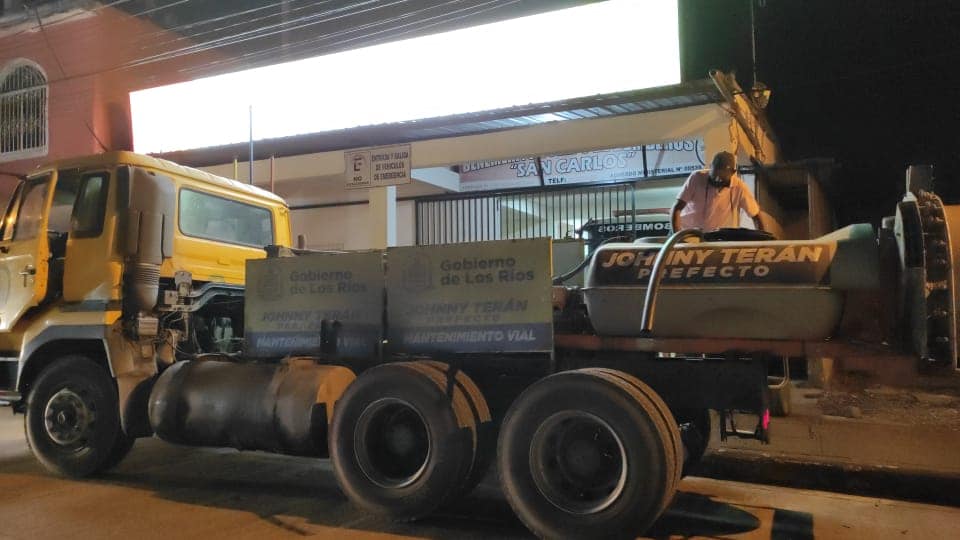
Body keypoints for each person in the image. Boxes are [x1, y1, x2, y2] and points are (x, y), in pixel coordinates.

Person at [670, 151, 764, 233]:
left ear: (733, 172)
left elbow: (756, 215)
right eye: (714, 177)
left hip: (710, 236)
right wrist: (677, 238)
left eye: (722, 179)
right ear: (710, 166)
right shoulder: (696, 178)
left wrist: (763, 241)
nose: (717, 181)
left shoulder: (739, 187)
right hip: (685, 232)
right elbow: (677, 208)